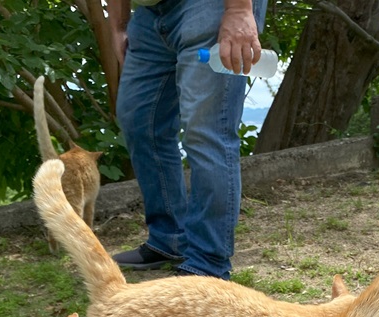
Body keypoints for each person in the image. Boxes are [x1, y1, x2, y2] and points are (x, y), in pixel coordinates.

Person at [108, 0, 268, 280]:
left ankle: (207, 264)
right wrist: (118, 25)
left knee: (206, 130)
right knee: (139, 119)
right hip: (149, 13)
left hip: (213, 7)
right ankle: (169, 239)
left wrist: (239, 11)